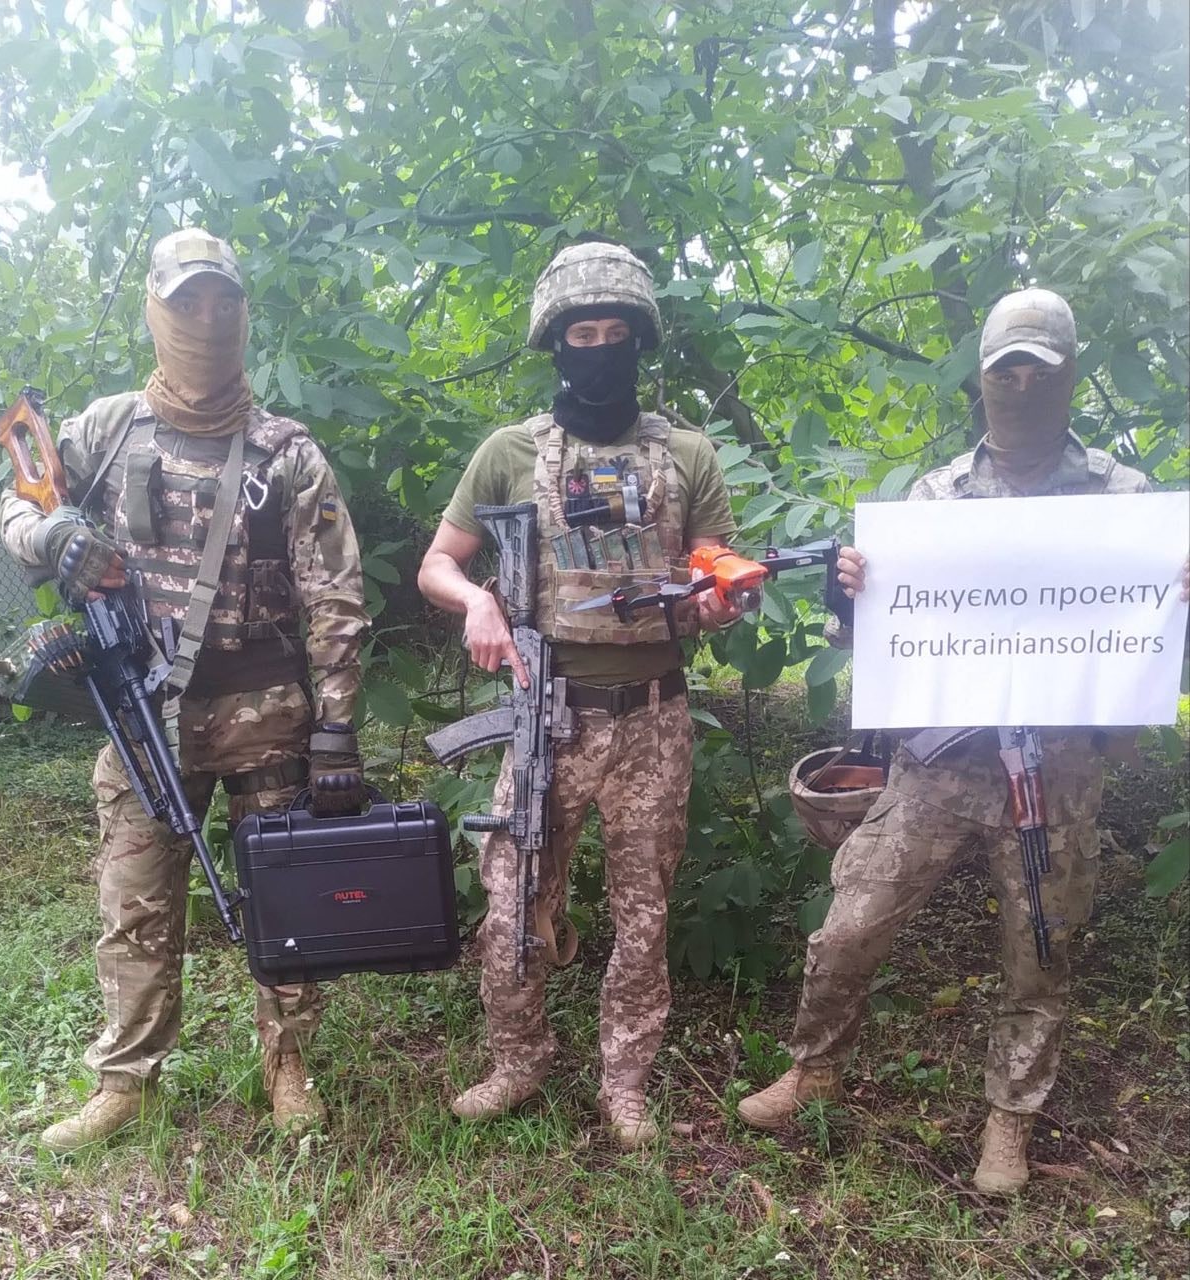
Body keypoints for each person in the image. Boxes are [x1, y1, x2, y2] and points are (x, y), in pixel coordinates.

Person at [737, 287, 1189, 1195]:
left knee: (1042, 954)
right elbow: (881, 637)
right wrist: (848, 595)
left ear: (1069, 374)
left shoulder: (1124, 500)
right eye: (1003, 369)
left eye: (1038, 368)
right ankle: (813, 1068)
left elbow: (1155, 652)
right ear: (982, 376)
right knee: (848, 925)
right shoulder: (934, 497)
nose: (1019, 384)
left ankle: (1008, 1125)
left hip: (1056, 778)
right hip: (937, 765)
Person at [0, 228, 369, 1151]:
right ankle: (125, 1080)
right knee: (135, 899)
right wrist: (54, 541)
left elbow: (335, 599)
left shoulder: (286, 451)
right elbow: (15, 503)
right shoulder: (107, 427)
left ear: (243, 313)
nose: (206, 319)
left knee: (281, 900)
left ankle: (287, 1065)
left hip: (268, 715)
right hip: (138, 711)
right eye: (187, 302)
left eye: (222, 302)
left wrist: (337, 730)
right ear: (156, 311)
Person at [418, 242, 738, 1147]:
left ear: (638, 341)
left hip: (653, 718)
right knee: (514, 896)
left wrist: (718, 603)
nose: (598, 348)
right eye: (580, 332)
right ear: (556, 343)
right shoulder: (508, 452)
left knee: (643, 913)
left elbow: (718, 577)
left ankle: (624, 1081)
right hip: (546, 716)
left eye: (614, 333)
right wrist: (477, 600)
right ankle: (518, 1059)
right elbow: (438, 564)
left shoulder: (684, 453)